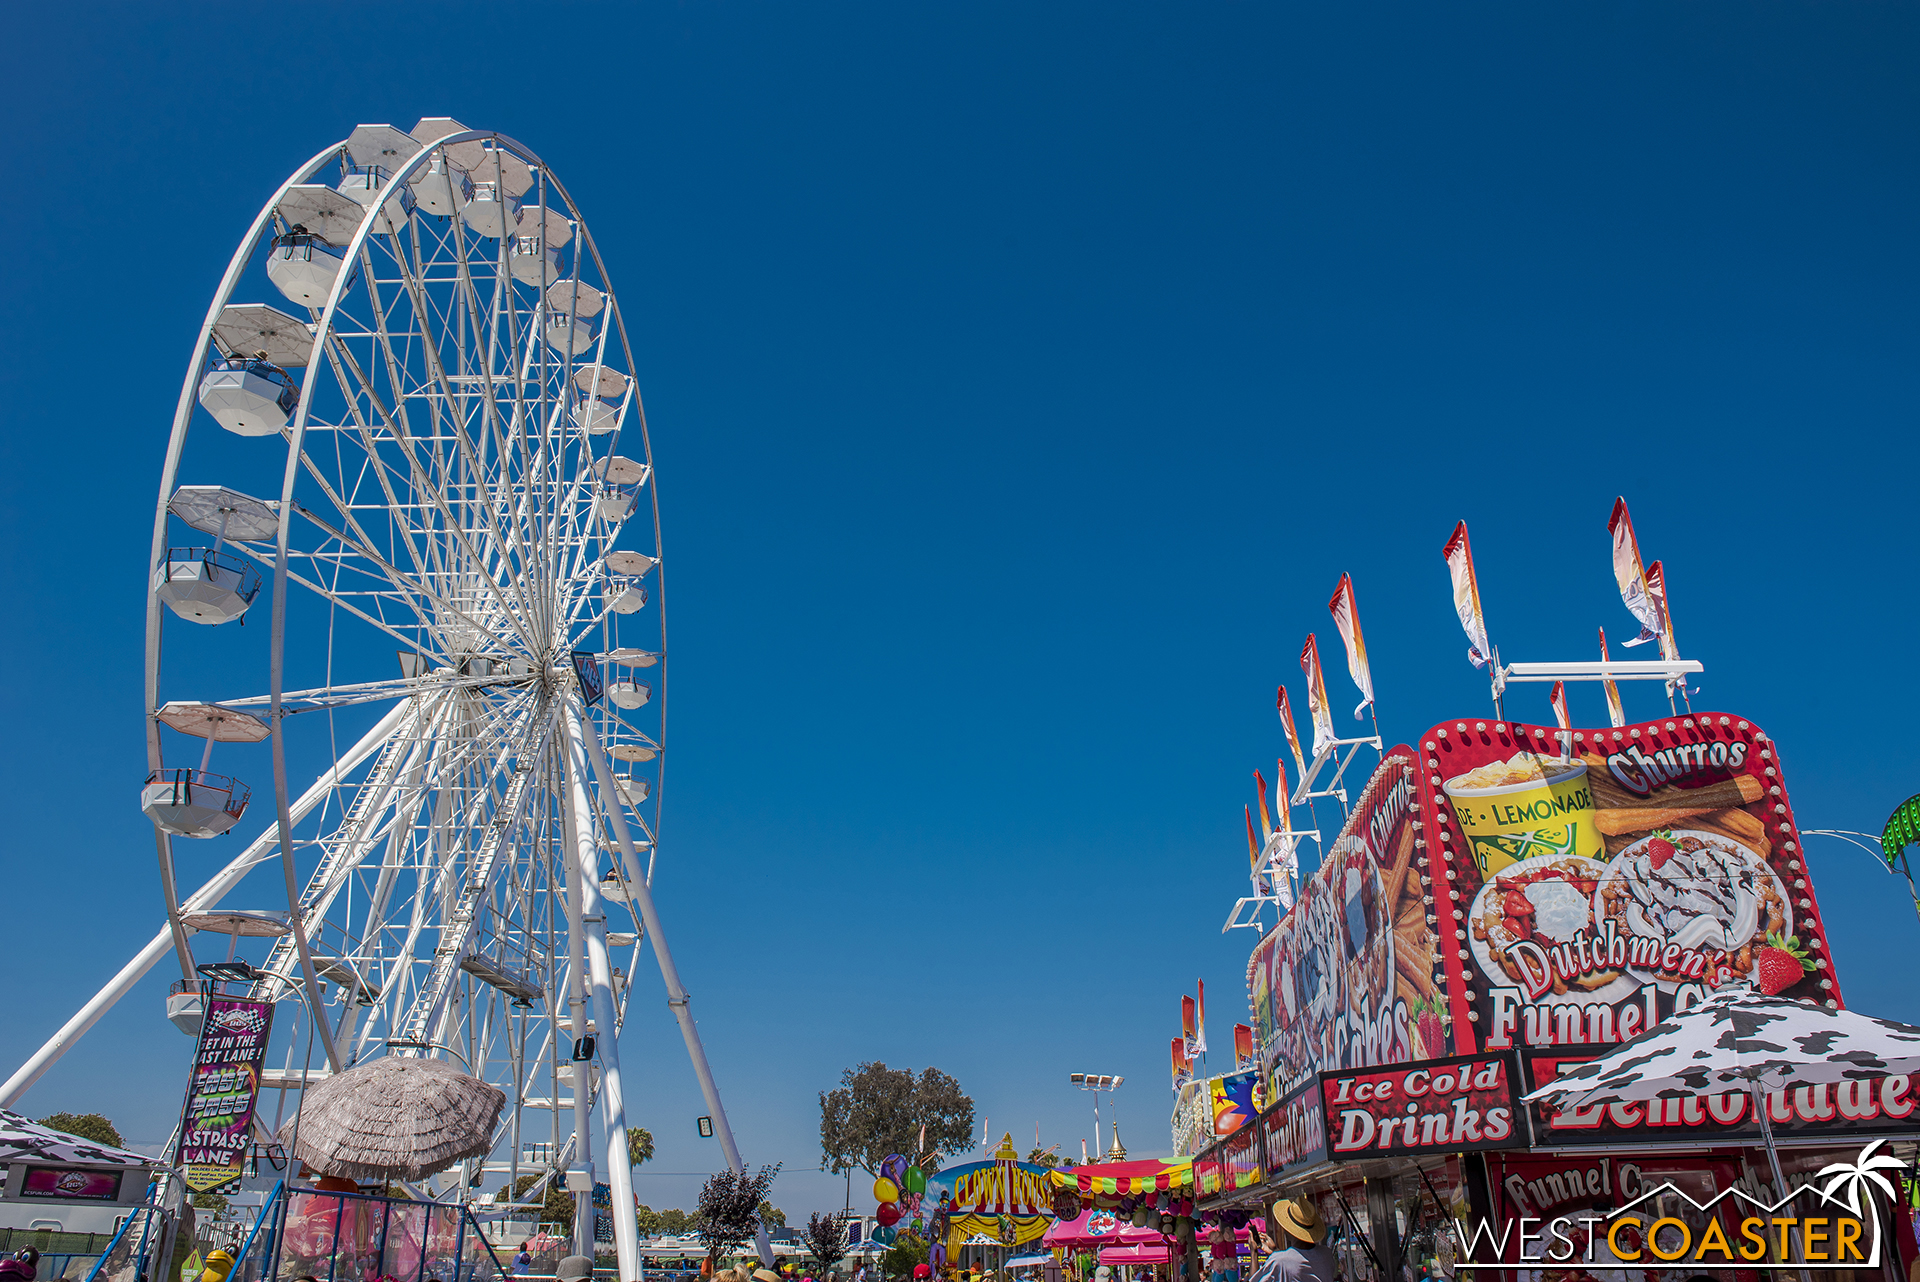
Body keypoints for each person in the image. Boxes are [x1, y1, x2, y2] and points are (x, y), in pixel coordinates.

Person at [1251, 1200, 1331, 1282]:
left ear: (1289, 1231)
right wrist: (1275, 1251)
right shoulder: (1326, 1255)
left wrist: (1254, 1252)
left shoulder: (1279, 1261)